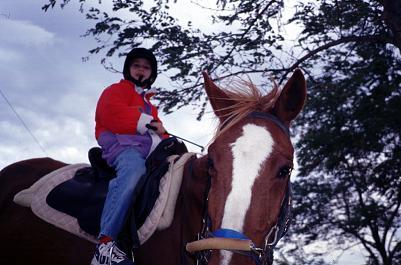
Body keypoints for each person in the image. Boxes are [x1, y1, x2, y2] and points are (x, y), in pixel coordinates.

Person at [91, 47, 167, 265]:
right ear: (128, 70)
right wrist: (145, 122)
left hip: (149, 152)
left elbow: (160, 131)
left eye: (145, 67)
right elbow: (110, 113)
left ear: (151, 74)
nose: (141, 70)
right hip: (124, 147)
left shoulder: (150, 105)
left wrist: (169, 140)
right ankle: (105, 244)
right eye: (136, 66)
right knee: (134, 171)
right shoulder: (116, 90)